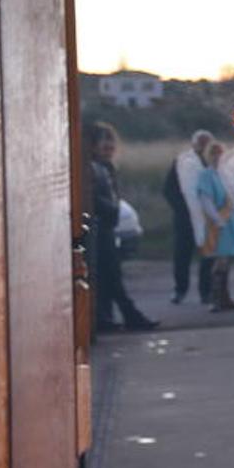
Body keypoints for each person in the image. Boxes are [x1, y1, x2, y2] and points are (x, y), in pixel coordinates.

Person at [87, 122, 158, 332]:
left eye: (111, 143)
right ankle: (127, 316)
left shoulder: (105, 168)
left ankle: (109, 318)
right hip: (101, 229)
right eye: (104, 142)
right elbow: (98, 199)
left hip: (107, 228)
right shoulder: (94, 169)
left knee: (110, 277)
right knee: (111, 277)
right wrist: (110, 210)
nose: (109, 147)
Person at [163, 130, 214, 304]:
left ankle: (206, 291)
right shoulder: (182, 163)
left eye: (206, 143)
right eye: (200, 142)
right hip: (185, 218)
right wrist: (183, 208)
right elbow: (169, 190)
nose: (203, 146)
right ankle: (180, 289)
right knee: (182, 255)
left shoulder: (212, 163)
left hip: (206, 217)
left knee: (208, 256)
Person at [197, 140, 234, 312]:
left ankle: (225, 297)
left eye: (220, 153)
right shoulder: (206, 175)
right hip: (217, 223)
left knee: (227, 261)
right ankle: (215, 298)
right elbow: (205, 199)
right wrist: (216, 219)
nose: (218, 157)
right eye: (214, 153)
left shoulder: (225, 174)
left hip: (229, 221)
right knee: (219, 261)